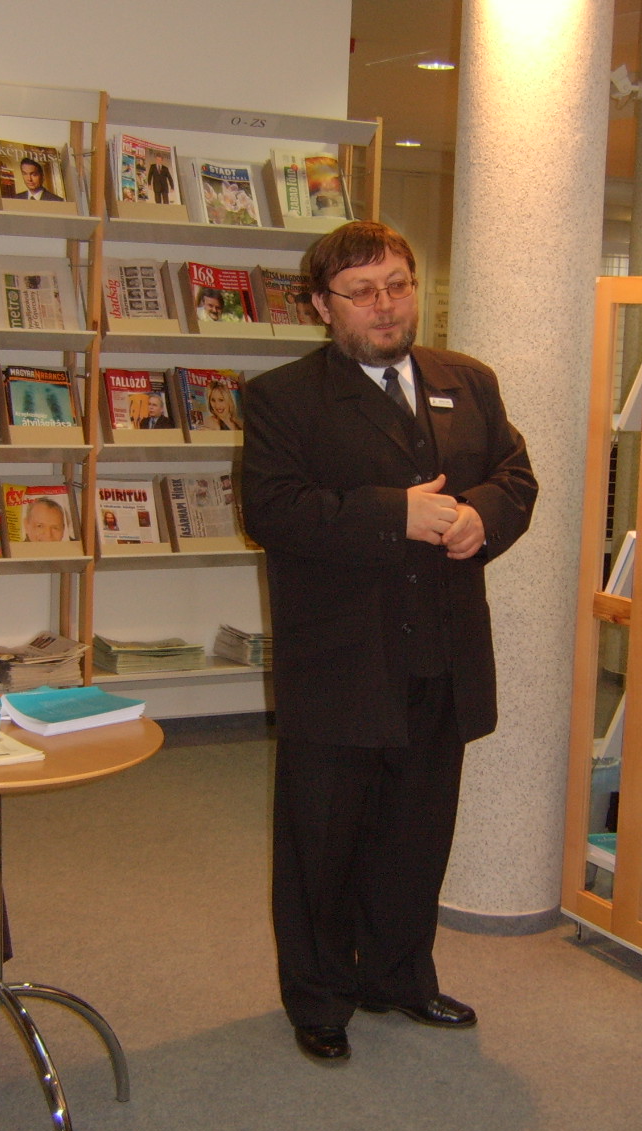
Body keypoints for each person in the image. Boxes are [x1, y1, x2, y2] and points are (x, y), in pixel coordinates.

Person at [240, 221, 537, 1065]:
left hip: (442, 650)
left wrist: (482, 516)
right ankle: (320, 997)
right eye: (362, 292)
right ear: (320, 306)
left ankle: (400, 978)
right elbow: (272, 512)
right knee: (323, 839)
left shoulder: (468, 381)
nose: (386, 305)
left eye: (398, 285)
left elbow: (516, 476)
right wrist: (392, 514)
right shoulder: (282, 398)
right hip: (341, 659)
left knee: (417, 831)